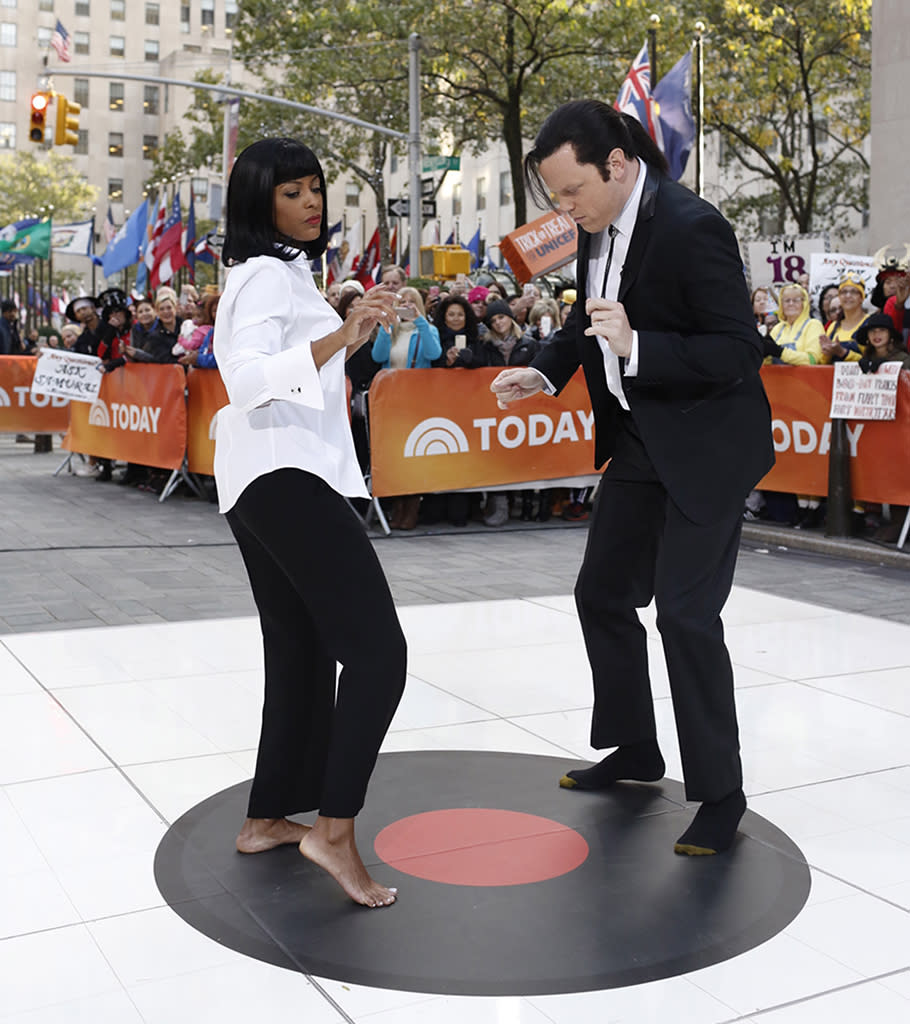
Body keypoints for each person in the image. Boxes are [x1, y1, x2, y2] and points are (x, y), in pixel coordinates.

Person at [491, 100, 774, 856]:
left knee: (685, 617)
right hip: (643, 440)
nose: (563, 208)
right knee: (602, 596)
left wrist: (642, 346)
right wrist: (545, 372)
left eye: (570, 191)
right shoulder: (597, 227)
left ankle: (720, 793)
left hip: (708, 444)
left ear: (615, 166)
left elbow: (738, 351)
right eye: (554, 195)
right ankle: (636, 749)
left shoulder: (691, 226)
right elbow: (589, 320)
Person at [214, 136, 406, 908]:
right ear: (261, 200)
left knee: (298, 650)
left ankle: (266, 818)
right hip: (283, 474)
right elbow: (247, 381)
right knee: (378, 654)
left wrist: (349, 333)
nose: (311, 201)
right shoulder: (262, 275)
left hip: (265, 475)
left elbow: (310, 379)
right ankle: (332, 831)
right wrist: (340, 334)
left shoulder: (286, 275)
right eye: (292, 191)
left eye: (315, 188)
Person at [820, 277, 869, 363]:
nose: (848, 296)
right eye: (843, 292)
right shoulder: (833, 326)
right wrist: (827, 353)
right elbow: (823, 363)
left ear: (861, 298)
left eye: (853, 292)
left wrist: (843, 352)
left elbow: (872, 360)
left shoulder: (870, 323)